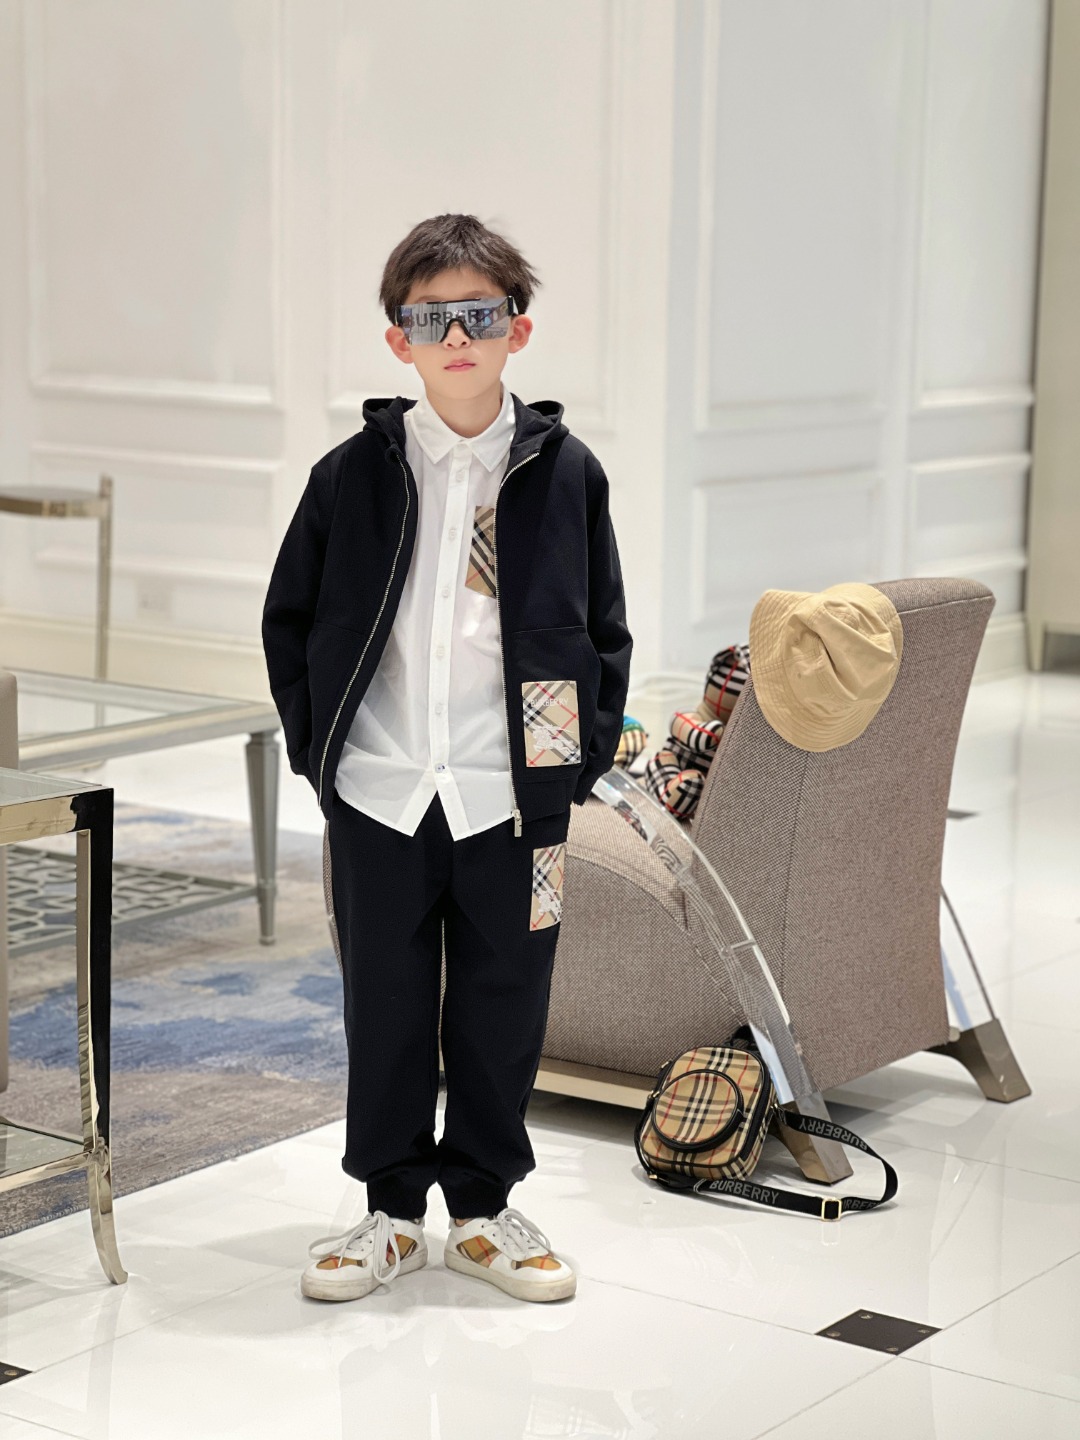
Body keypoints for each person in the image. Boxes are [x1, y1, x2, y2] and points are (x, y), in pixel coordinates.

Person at [261, 213, 633, 1305]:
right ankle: (387, 1212)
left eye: (479, 315)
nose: (457, 337)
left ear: (519, 329)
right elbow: (291, 620)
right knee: (382, 1003)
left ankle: (481, 1210)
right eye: (432, 320)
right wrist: (323, 753)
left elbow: (602, 632)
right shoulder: (351, 477)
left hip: (512, 801)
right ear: (399, 341)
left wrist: (567, 770)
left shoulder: (566, 475)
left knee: (505, 1000)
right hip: (381, 789)